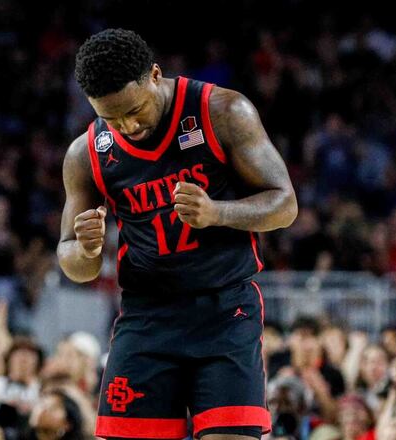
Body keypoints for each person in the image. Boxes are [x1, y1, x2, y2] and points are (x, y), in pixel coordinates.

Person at [58, 29, 298, 439]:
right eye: (111, 118)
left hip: (225, 310)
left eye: (135, 110)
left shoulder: (223, 110)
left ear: (154, 75)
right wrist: (87, 248)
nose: (127, 125)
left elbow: (285, 205)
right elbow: (75, 266)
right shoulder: (86, 153)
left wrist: (216, 212)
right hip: (147, 316)